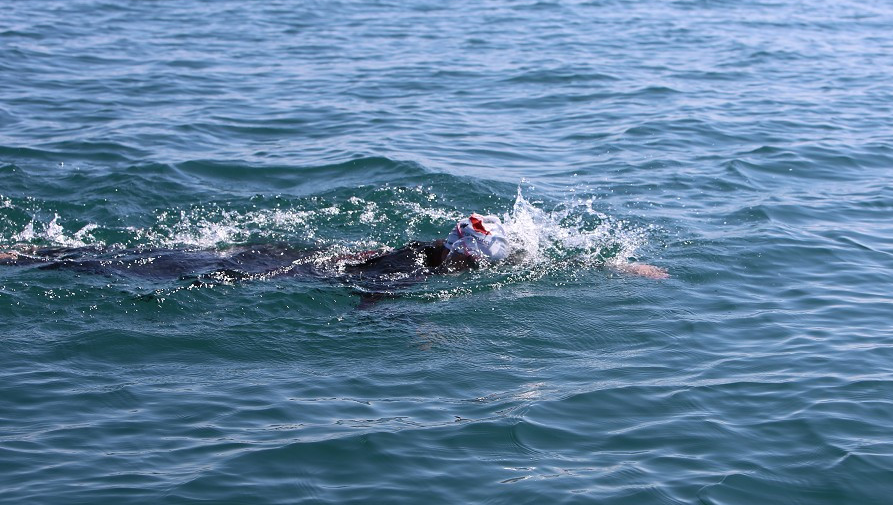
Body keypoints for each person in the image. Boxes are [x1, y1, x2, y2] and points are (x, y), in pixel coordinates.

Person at [0, 212, 667, 286]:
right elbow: (367, 289)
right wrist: (417, 330)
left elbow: (541, 261)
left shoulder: (434, 249)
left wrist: (613, 264)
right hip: (268, 269)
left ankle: (29, 255)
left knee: (149, 256)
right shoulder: (416, 261)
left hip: (284, 250)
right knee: (130, 266)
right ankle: (22, 258)